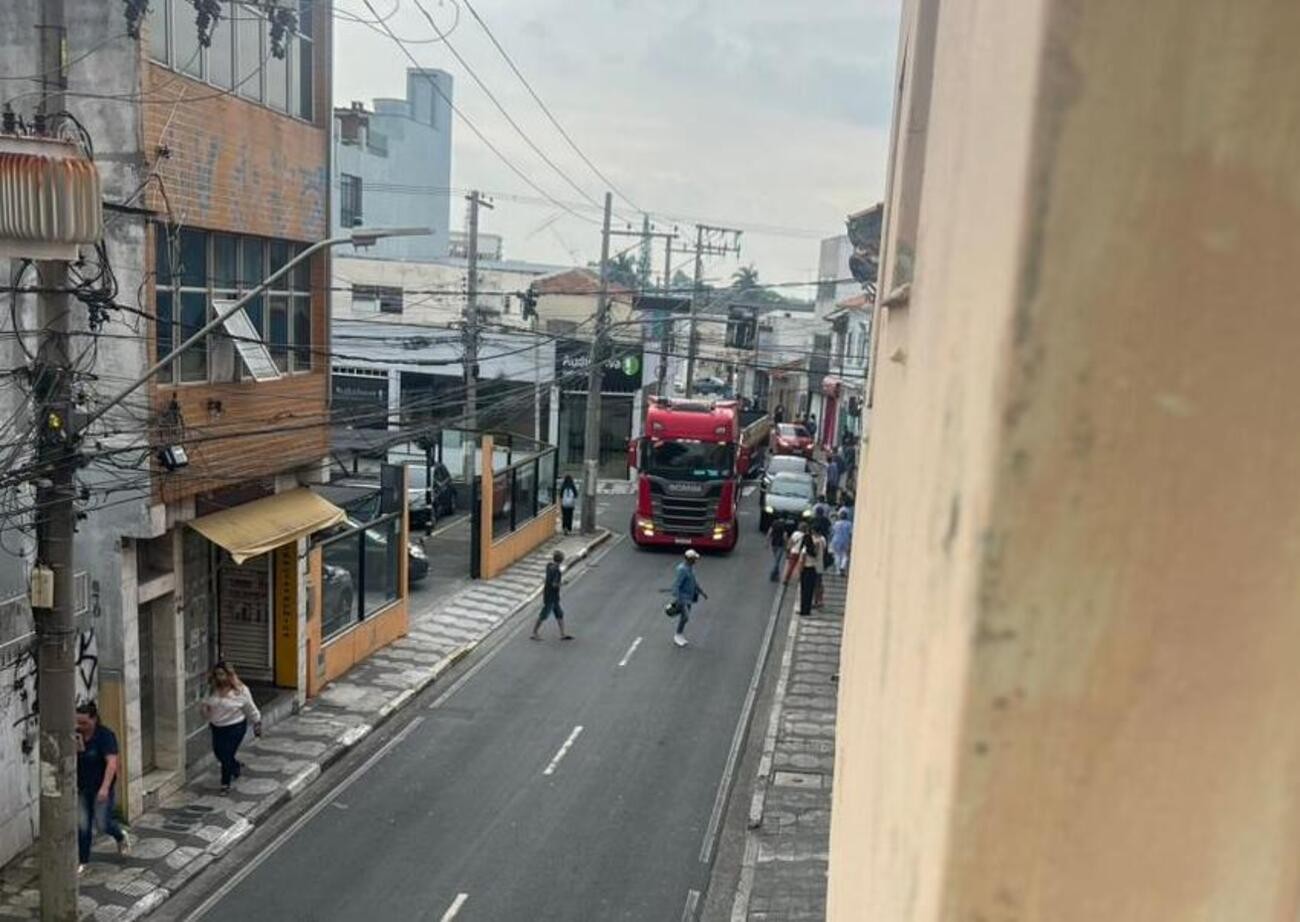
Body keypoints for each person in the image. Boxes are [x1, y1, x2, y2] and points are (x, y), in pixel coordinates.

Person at [76, 702, 129, 870]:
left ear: (94, 719)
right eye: (77, 722)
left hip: (100, 787)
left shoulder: (104, 736)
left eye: (84, 723)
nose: (80, 726)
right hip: (82, 787)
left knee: (103, 824)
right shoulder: (76, 735)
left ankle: (120, 835)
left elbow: (112, 763)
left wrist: (105, 788)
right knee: (83, 825)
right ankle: (82, 861)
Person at [200, 661, 262, 795]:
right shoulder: (212, 689)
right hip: (217, 727)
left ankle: (225, 784)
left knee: (227, 754)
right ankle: (235, 766)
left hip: (235, 727)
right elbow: (205, 703)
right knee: (219, 753)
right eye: (217, 674)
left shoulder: (241, 691)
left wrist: (257, 723)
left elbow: (250, 708)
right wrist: (205, 710)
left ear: (229, 675)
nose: (219, 677)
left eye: (222, 674)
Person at [531, 549, 572, 640]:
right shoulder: (557, 571)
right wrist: (563, 583)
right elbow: (554, 584)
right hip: (551, 597)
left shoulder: (549, 566)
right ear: (561, 560)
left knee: (559, 614)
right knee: (544, 615)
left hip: (549, 595)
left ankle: (562, 634)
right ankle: (534, 632)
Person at [671, 549, 707, 647]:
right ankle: (677, 635)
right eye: (694, 558)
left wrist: (701, 592)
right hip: (683, 598)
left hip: (689, 598)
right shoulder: (682, 570)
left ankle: (680, 634)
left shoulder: (690, 568)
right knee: (685, 617)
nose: (696, 560)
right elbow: (677, 585)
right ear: (689, 559)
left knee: (685, 617)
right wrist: (678, 598)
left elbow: (694, 582)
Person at [798, 528, 826, 617]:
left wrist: (799, 572)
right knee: (810, 591)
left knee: (804, 591)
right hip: (813, 569)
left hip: (806, 570)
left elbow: (802, 562)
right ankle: (807, 610)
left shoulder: (805, 550)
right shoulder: (813, 549)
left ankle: (803, 609)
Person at [830, 508, 853, 576]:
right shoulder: (849, 524)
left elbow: (832, 532)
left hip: (836, 540)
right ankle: (842, 566)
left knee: (837, 555)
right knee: (845, 555)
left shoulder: (836, 523)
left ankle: (838, 570)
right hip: (845, 540)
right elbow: (850, 533)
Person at [766, 516, 789, 582]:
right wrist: (786, 545)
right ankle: (773, 574)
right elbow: (785, 536)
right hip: (780, 545)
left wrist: (767, 542)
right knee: (777, 561)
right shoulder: (783, 525)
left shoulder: (774, 523)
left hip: (774, 544)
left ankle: (777, 575)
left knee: (776, 559)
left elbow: (769, 532)